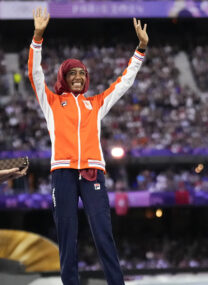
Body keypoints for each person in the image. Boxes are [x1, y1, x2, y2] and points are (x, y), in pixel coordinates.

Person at [28, 8, 149, 285]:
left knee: (103, 232)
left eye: (82, 73)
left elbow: (123, 83)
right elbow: (35, 74)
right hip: (63, 173)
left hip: (93, 172)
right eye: (73, 74)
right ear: (64, 77)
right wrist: (37, 37)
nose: (79, 77)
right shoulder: (52, 103)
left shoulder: (96, 104)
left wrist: (140, 50)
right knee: (67, 233)